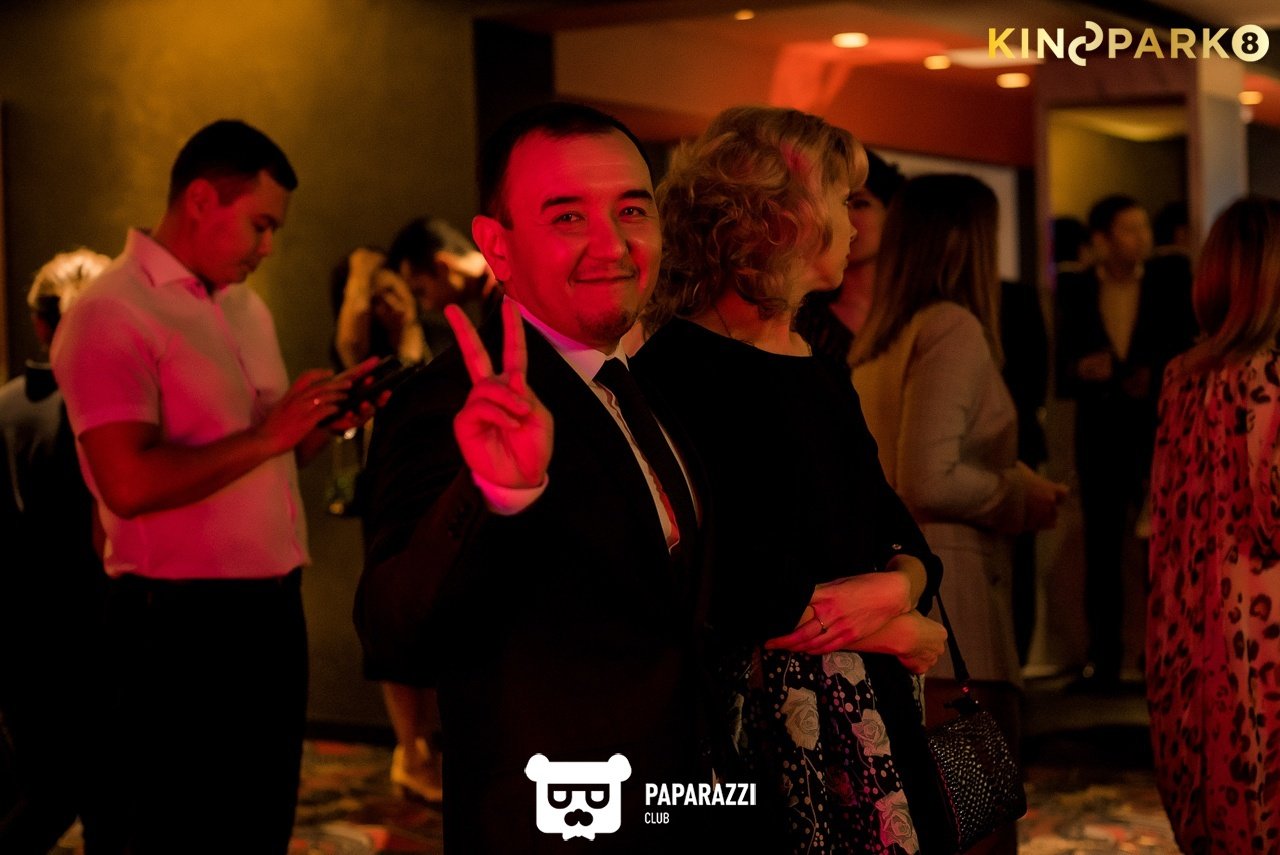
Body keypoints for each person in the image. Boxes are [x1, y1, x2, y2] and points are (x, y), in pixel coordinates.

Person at [356, 103, 709, 853]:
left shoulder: (643, 383)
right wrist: (495, 494)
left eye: (631, 210)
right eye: (568, 217)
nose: (612, 244)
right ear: (498, 246)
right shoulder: (453, 399)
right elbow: (393, 632)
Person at [50, 120, 373, 854]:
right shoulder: (111, 311)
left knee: (255, 828)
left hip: (269, 612)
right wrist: (267, 435)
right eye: (261, 225)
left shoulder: (243, 306)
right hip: (175, 628)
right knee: (166, 833)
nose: (269, 247)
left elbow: (261, 461)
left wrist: (319, 422)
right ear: (200, 200)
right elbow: (128, 483)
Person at [634, 105, 949, 854]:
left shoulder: (817, 364)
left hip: (869, 718)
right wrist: (898, 625)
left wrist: (898, 587)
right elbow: (730, 585)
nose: (855, 225)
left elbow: (894, 528)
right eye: (843, 198)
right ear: (781, 218)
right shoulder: (677, 371)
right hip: (763, 734)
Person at [852, 174, 1067, 855]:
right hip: (956, 610)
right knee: (976, 829)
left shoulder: (880, 339)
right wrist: (1018, 495)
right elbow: (926, 476)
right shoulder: (951, 327)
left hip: (907, 607)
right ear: (964, 242)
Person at [331, 217, 492, 803]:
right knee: (395, 610)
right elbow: (351, 349)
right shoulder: (369, 344)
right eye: (378, 295)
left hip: (448, 481)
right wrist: (360, 275)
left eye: (401, 290)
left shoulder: (442, 330)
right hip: (393, 486)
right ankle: (411, 750)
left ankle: (430, 748)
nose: (399, 303)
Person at [1147, 196, 1280, 854]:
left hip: (1184, 623)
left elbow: (1164, 511)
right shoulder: (1272, 376)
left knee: (1209, 806)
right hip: (1262, 628)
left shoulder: (1182, 375)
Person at [1055, 194, 1197, 689]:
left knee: (1164, 541)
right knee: (1101, 547)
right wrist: (1081, 370)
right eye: (1129, 229)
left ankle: (1166, 651)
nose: (1142, 239)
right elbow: (1061, 368)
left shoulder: (1168, 281)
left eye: (1143, 228)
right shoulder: (1076, 288)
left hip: (1156, 427)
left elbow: (1186, 346)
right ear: (1101, 239)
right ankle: (1104, 659)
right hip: (1100, 431)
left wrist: (1153, 377)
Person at [0, 249, 109, 853]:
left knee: (40, 793)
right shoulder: (116, 411)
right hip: (104, 631)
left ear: (40, 324)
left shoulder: (6, 405)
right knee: (111, 808)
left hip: (23, 638)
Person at [793, 147, 906, 369]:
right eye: (838, 204)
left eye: (860, 204)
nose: (846, 219)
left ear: (892, 212)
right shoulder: (805, 316)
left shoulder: (916, 313)